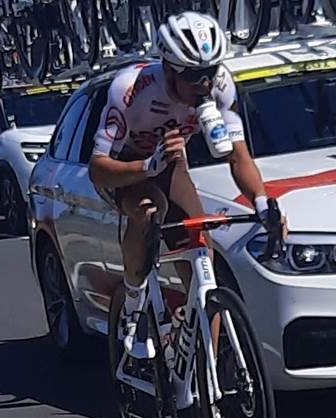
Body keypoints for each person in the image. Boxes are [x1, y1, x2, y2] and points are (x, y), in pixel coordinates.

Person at [88, 10, 279, 361]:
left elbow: (238, 157)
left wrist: (263, 203)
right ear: (168, 68)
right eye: (193, 76)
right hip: (126, 168)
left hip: (171, 164)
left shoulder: (221, 86)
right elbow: (97, 170)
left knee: (201, 258)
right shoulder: (130, 89)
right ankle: (134, 304)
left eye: (210, 72)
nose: (204, 84)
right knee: (147, 212)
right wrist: (146, 166)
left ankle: (205, 366)